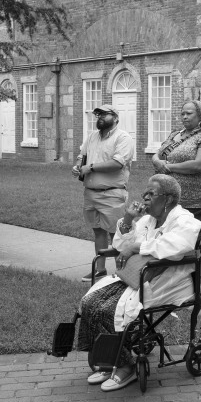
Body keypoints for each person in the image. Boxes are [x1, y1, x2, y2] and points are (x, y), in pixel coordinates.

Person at [78, 174, 201, 391]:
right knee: (92, 302)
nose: (144, 197)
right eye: (145, 192)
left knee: (110, 309)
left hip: (166, 280)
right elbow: (121, 245)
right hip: (135, 276)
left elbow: (176, 246)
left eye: (151, 194)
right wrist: (127, 219)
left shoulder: (185, 220)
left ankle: (126, 366)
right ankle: (109, 361)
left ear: (169, 199)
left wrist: (138, 248)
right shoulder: (147, 220)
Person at [152, 100, 201, 276]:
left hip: (196, 196)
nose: (185, 116)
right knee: (173, 234)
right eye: (183, 113)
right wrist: (157, 161)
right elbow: (157, 154)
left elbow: (199, 165)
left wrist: (168, 167)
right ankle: (172, 270)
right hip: (171, 197)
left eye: (189, 113)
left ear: (200, 116)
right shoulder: (175, 134)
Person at [72, 104, 135, 282]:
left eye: (104, 114)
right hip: (90, 193)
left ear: (115, 117)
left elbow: (117, 163)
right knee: (98, 231)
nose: (99, 117)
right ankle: (100, 270)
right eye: (97, 114)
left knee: (116, 234)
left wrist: (90, 167)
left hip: (112, 194)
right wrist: (77, 166)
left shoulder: (123, 138)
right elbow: (81, 154)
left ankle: (121, 274)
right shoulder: (92, 136)